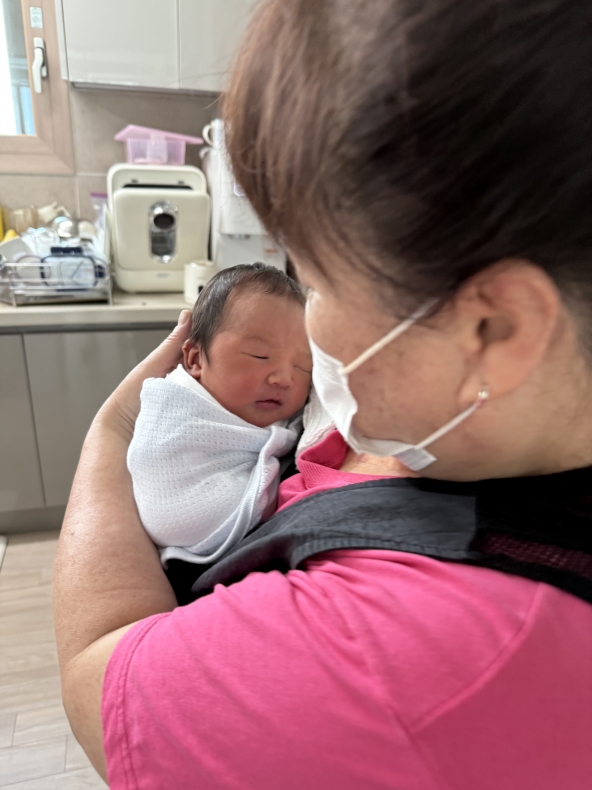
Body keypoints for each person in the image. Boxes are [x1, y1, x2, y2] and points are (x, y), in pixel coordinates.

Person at [54, 1, 592, 788]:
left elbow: (97, 675)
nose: (307, 331)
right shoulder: (452, 421)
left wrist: (111, 431)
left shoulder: (401, 657)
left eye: (315, 277)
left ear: (493, 329)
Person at [127, 263, 311, 579]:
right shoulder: (174, 414)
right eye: (259, 355)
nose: (283, 378)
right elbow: (171, 518)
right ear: (195, 359)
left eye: (303, 366)